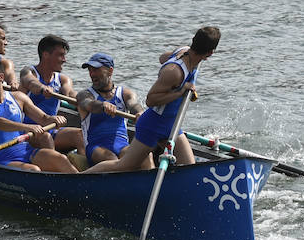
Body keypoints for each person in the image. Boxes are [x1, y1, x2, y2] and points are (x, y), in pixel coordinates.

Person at [86, 26, 220, 173]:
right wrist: (180, 91)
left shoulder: (185, 51)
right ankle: (81, 179)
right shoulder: (174, 72)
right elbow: (150, 100)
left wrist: (173, 60)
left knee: (189, 167)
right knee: (123, 166)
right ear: (210, 53)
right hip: (153, 125)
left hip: (171, 124)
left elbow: (162, 58)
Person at [0, 59, 76, 172]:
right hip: (1, 157)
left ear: (1, 77)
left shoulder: (19, 97)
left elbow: (43, 118)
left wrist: (54, 119)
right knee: (34, 170)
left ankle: (81, 184)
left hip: (25, 149)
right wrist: (26, 127)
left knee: (60, 159)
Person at [74, 51, 145, 167]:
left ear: (110, 71)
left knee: (146, 156)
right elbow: (89, 104)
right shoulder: (84, 95)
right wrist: (103, 105)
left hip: (122, 146)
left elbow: (133, 104)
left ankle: (149, 182)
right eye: (90, 70)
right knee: (111, 159)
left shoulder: (124, 93)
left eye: (96, 70)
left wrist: (140, 113)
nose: (92, 74)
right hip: (96, 148)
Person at [18, 35, 82, 152]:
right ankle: (54, 164)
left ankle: (86, 168)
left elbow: (70, 95)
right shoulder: (29, 72)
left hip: (51, 128)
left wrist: (89, 101)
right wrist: (43, 88)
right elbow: (31, 82)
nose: (64, 60)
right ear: (46, 55)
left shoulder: (63, 79)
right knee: (45, 137)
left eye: (64, 55)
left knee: (80, 135)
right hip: (26, 130)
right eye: (60, 55)